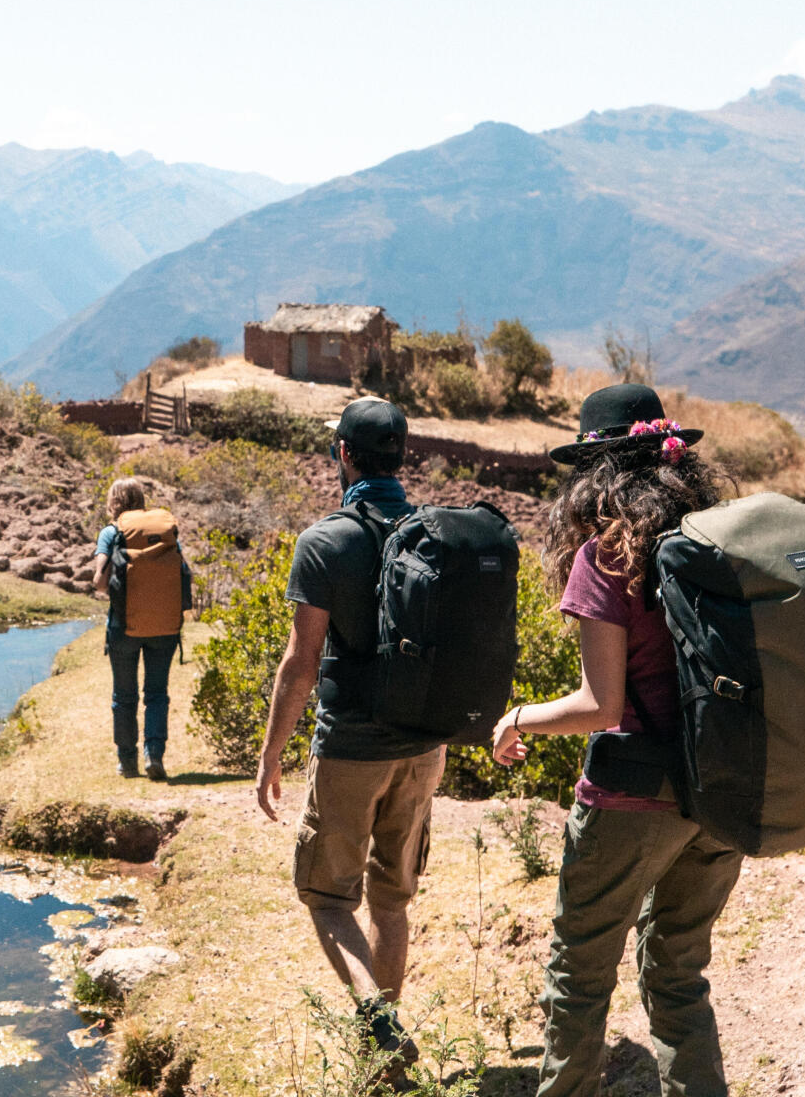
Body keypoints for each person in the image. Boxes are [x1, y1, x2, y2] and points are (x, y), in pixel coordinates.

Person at [491, 383, 739, 1097]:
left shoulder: (606, 557)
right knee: (679, 974)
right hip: (722, 790)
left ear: (596, 471)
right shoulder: (715, 544)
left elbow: (600, 706)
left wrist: (517, 718)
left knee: (579, 973)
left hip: (635, 793)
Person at [254, 396, 438, 1069]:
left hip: (352, 748)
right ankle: (382, 1055)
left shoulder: (326, 541)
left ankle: (378, 1022)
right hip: (424, 749)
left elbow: (301, 662)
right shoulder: (433, 533)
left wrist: (271, 753)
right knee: (391, 900)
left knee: (328, 897)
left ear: (343, 455)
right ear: (402, 456)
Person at [91, 477, 188, 780]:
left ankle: (127, 761)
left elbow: (99, 581)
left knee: (124, 695)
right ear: (141, 500)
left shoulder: (112, 532)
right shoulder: (164, 532)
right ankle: (154, 755)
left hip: (124, 627)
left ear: (114, 503)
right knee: (157, 694)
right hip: (165, 627)